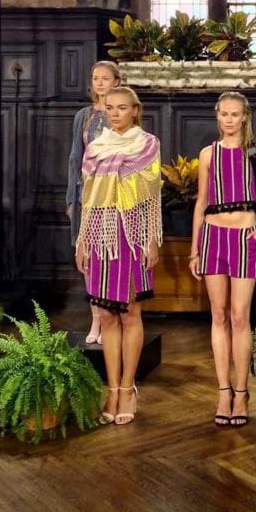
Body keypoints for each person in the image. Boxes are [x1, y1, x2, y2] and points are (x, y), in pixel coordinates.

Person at [189, 92, 256, 427]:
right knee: (219, 315)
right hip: (213, 236)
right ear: (218, 116)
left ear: (244, 117)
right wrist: (195, 248)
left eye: (234, 114)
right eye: (223, 114)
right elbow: (201, 201)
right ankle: (223, 390)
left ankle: (242, 392)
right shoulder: (207, 154)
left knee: (241, 317)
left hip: (244, 237)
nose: (228, 119)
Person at [76, 86, 161, 425]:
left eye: (122, 108)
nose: (114, 113)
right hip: (99, 234)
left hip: (133, 235)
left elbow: (149, 193)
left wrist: (151, 240)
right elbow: (89, 197)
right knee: (107, 315)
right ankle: (110, 388)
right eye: (110, 108)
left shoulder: (147, 144)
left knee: (130, 313)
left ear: (135, 111)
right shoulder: (95, 147)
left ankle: (128, 388)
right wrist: (82, 239)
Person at [66, 61, 121, 346]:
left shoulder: (120, 114)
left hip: (114, 196)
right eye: (95, 78)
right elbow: (75, 157)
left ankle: (112, 314)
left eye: (105, 78)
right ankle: (96, 317)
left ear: (116, 81)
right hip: (86, 193)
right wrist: (71, 198)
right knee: (87, 259)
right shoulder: (83, 116)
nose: (99, 83)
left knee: (110, 255)